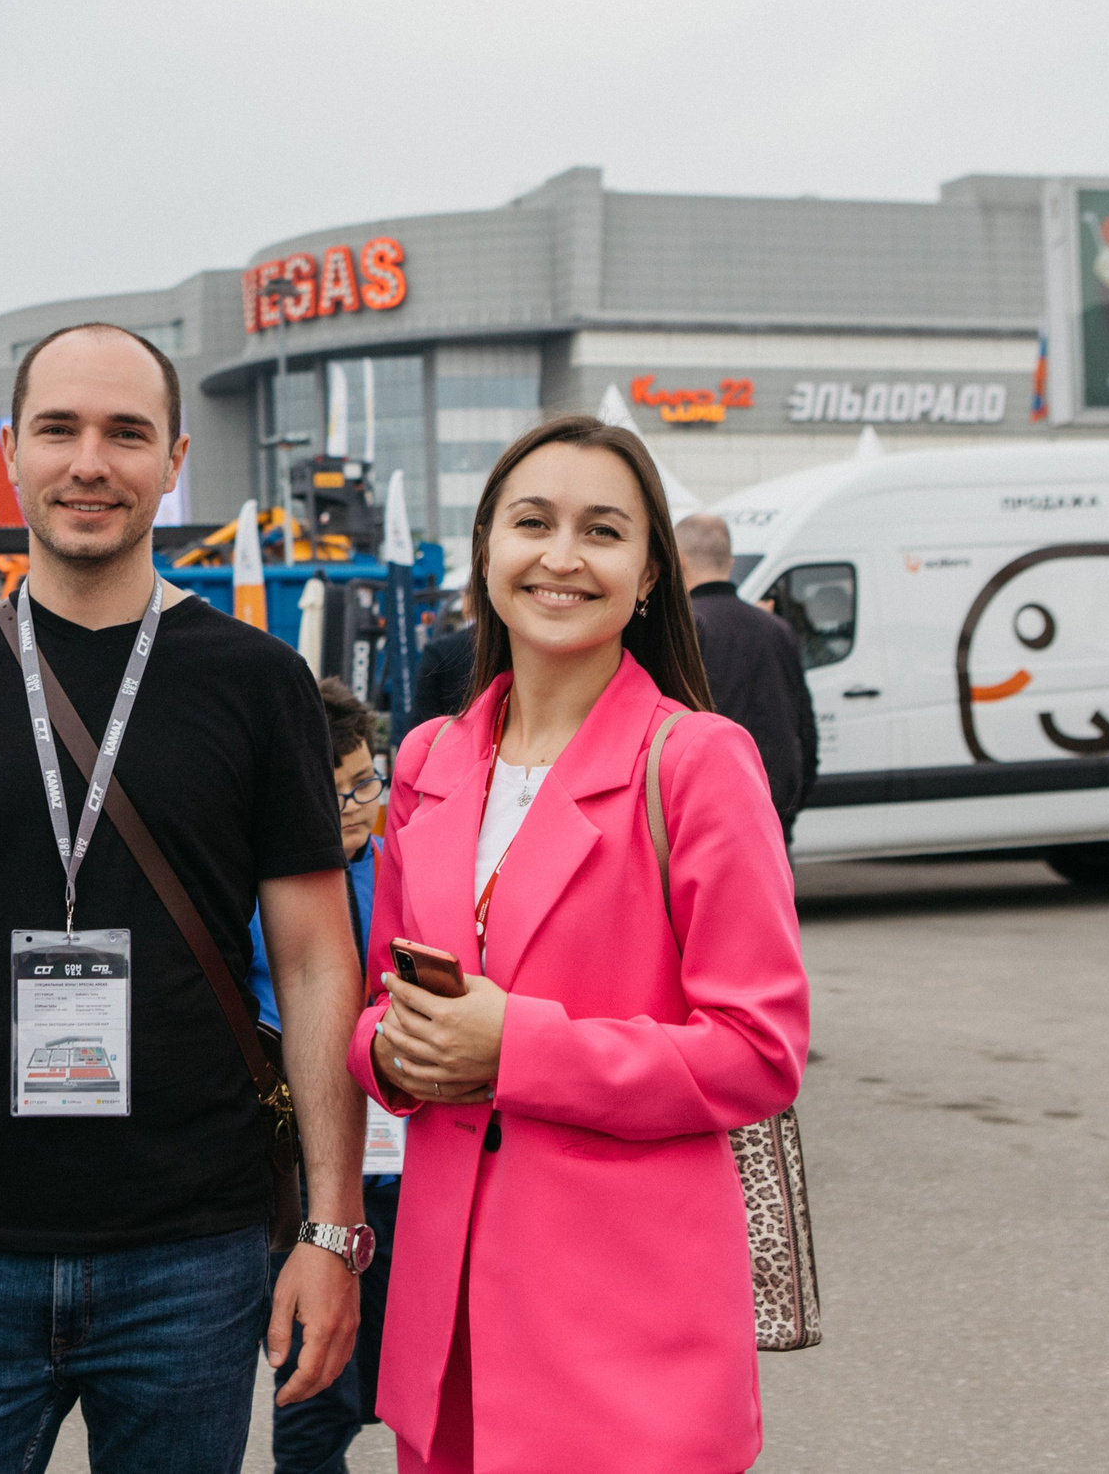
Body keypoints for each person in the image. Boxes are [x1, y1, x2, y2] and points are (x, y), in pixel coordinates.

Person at [0, 322, 368, 1474]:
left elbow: (321, 964)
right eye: (59, 430)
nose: (90, 463)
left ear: (174, 459)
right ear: (12, 454)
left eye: (125, 434)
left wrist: (329, 1229)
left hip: (194, 1257)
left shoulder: (259, 685)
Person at [349, 416, 808, 1472]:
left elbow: (758, 1050)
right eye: (531, 523)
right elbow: (380, 1004)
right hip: (447, 1325)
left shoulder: (697, 761)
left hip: (624, 1337)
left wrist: (515, 1049)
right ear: (485, 550)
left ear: (648, 574)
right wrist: (391, 1051)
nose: (560, 556)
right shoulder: (426, 759)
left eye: (602, 531)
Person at [245, 675, 402, 1474]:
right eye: (330, 788)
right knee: (313, 1376)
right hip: (304, 1144)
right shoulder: (260, 882)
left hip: (406, 1147)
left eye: (364, 782)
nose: (350, 804)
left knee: (404, 1353)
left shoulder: (402, 863)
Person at [678, 512, 820, 841]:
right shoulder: (778, 630)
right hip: (773, 810)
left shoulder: (684, 630)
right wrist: (793, 801)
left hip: (706, 815)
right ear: (728, 562)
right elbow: (805, 726)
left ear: (680, 562)